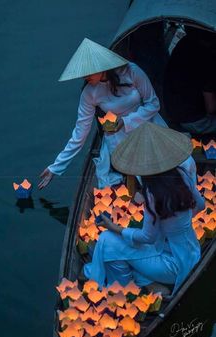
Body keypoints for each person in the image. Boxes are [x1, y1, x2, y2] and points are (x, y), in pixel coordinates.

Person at [84, 122, 205, 296]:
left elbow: (147, 237)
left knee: (106, 241)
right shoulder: (182, 175)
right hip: (192, 253)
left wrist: (114, 228)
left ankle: (127, 287)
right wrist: (178, 224)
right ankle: (143, 282)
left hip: (172, 265)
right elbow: (200, 206)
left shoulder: (153, 194)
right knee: (118, 246)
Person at [38, 38, 167, 190]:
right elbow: (80, 133)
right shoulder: (89, 93)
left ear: (102, 66)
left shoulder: (131, 71)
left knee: (170, 165)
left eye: (89, 71)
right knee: (139, 175)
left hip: (146, 123)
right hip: (118, 134)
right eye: (82, 73)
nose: (85, 76)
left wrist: (127, 121)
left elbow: (153, 103)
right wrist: (56, 167)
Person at [164, 30, 216, 134]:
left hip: (171, 110)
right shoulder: (208, 59)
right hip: (194, 121)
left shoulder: (185, 42)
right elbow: (211, 108)